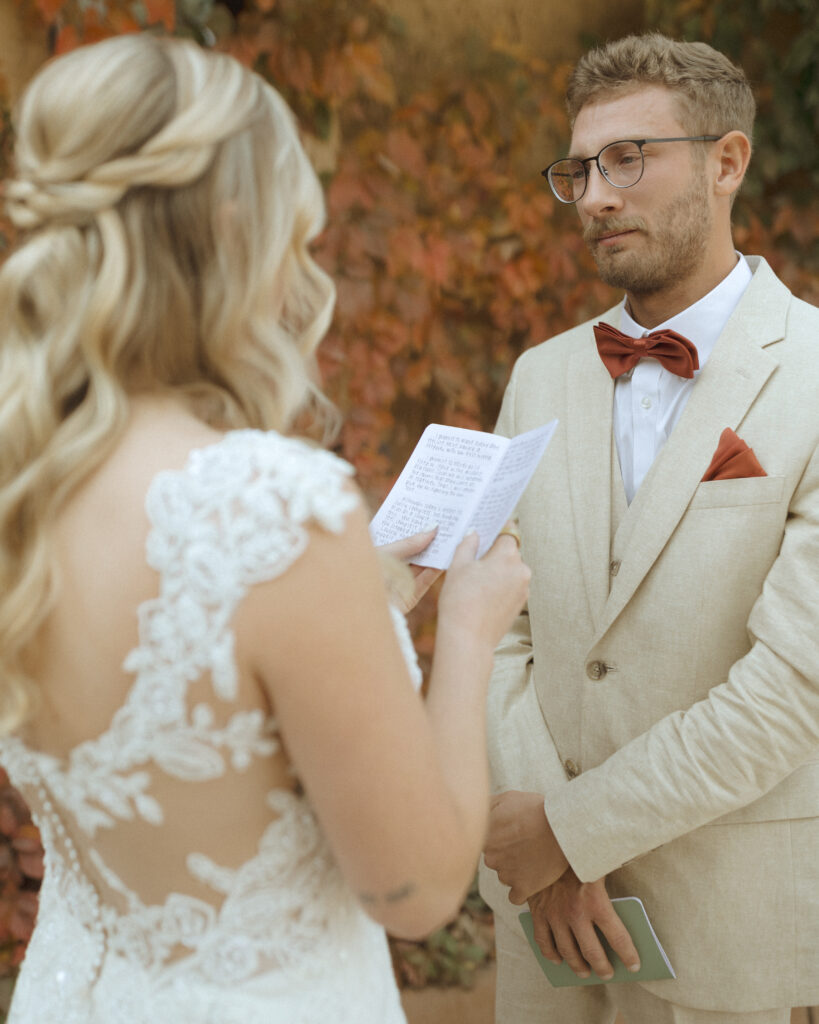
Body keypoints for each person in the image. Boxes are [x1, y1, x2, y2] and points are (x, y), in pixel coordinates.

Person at [0, 34, 531, 1023]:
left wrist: (359, 599)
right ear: (238, 226)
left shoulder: (22, 484)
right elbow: (413, 892)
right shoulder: (272, 507)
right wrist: (468, 632)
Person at [480, 31, 819, 1024]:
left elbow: (795, 687)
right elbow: (502, 628)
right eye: (580, 169)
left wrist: (569, 833)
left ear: (727, 162)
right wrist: (544, 860)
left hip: (729, 939)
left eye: (629, 158)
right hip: (542, 939)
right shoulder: (538, 375)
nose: (594, 195)